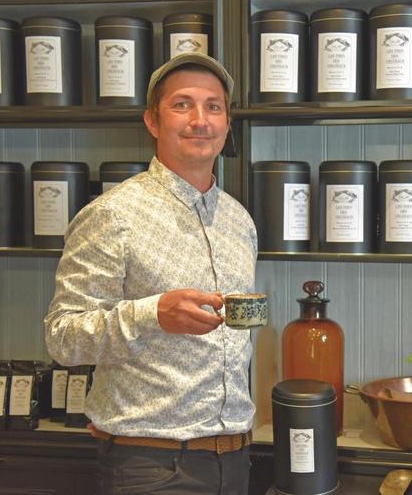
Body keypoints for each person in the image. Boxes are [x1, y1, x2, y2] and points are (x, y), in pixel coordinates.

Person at [44, 53, 257, 495]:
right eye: (182, 105)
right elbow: (63, 337)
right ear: (152, 122)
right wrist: (152, 314)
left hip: (236, 458)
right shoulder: (112, 215)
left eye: (214, 107)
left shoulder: (240, 220)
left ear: (227, 124)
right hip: (151, 466)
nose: (200, 120)